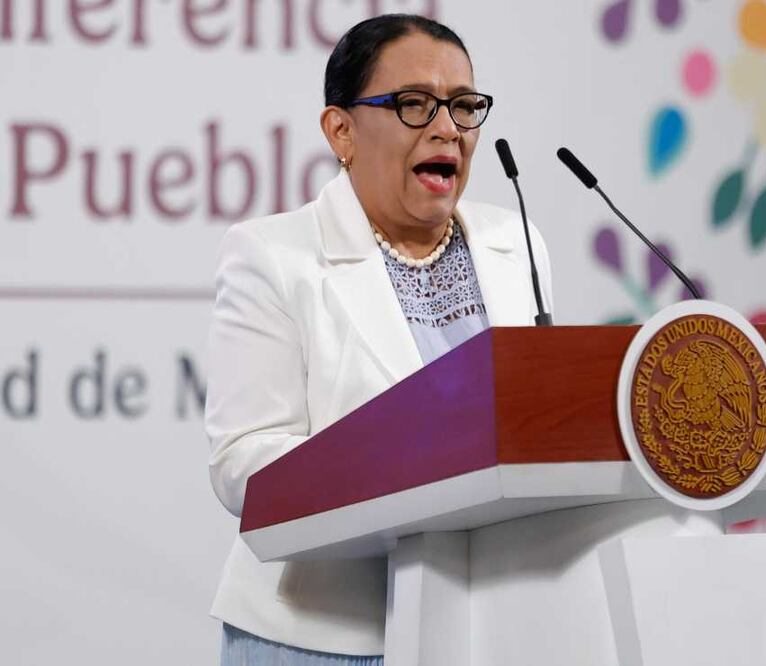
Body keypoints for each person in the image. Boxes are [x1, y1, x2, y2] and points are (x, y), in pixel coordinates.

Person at [203, 14, 552, 664]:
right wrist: (402, 464)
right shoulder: (272, 255)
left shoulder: (516, 245)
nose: (447, 127)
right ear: (341, 131)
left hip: (488, 626)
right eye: (414, 105)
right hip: (322, 635)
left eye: (463, 106)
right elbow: (239, 467)